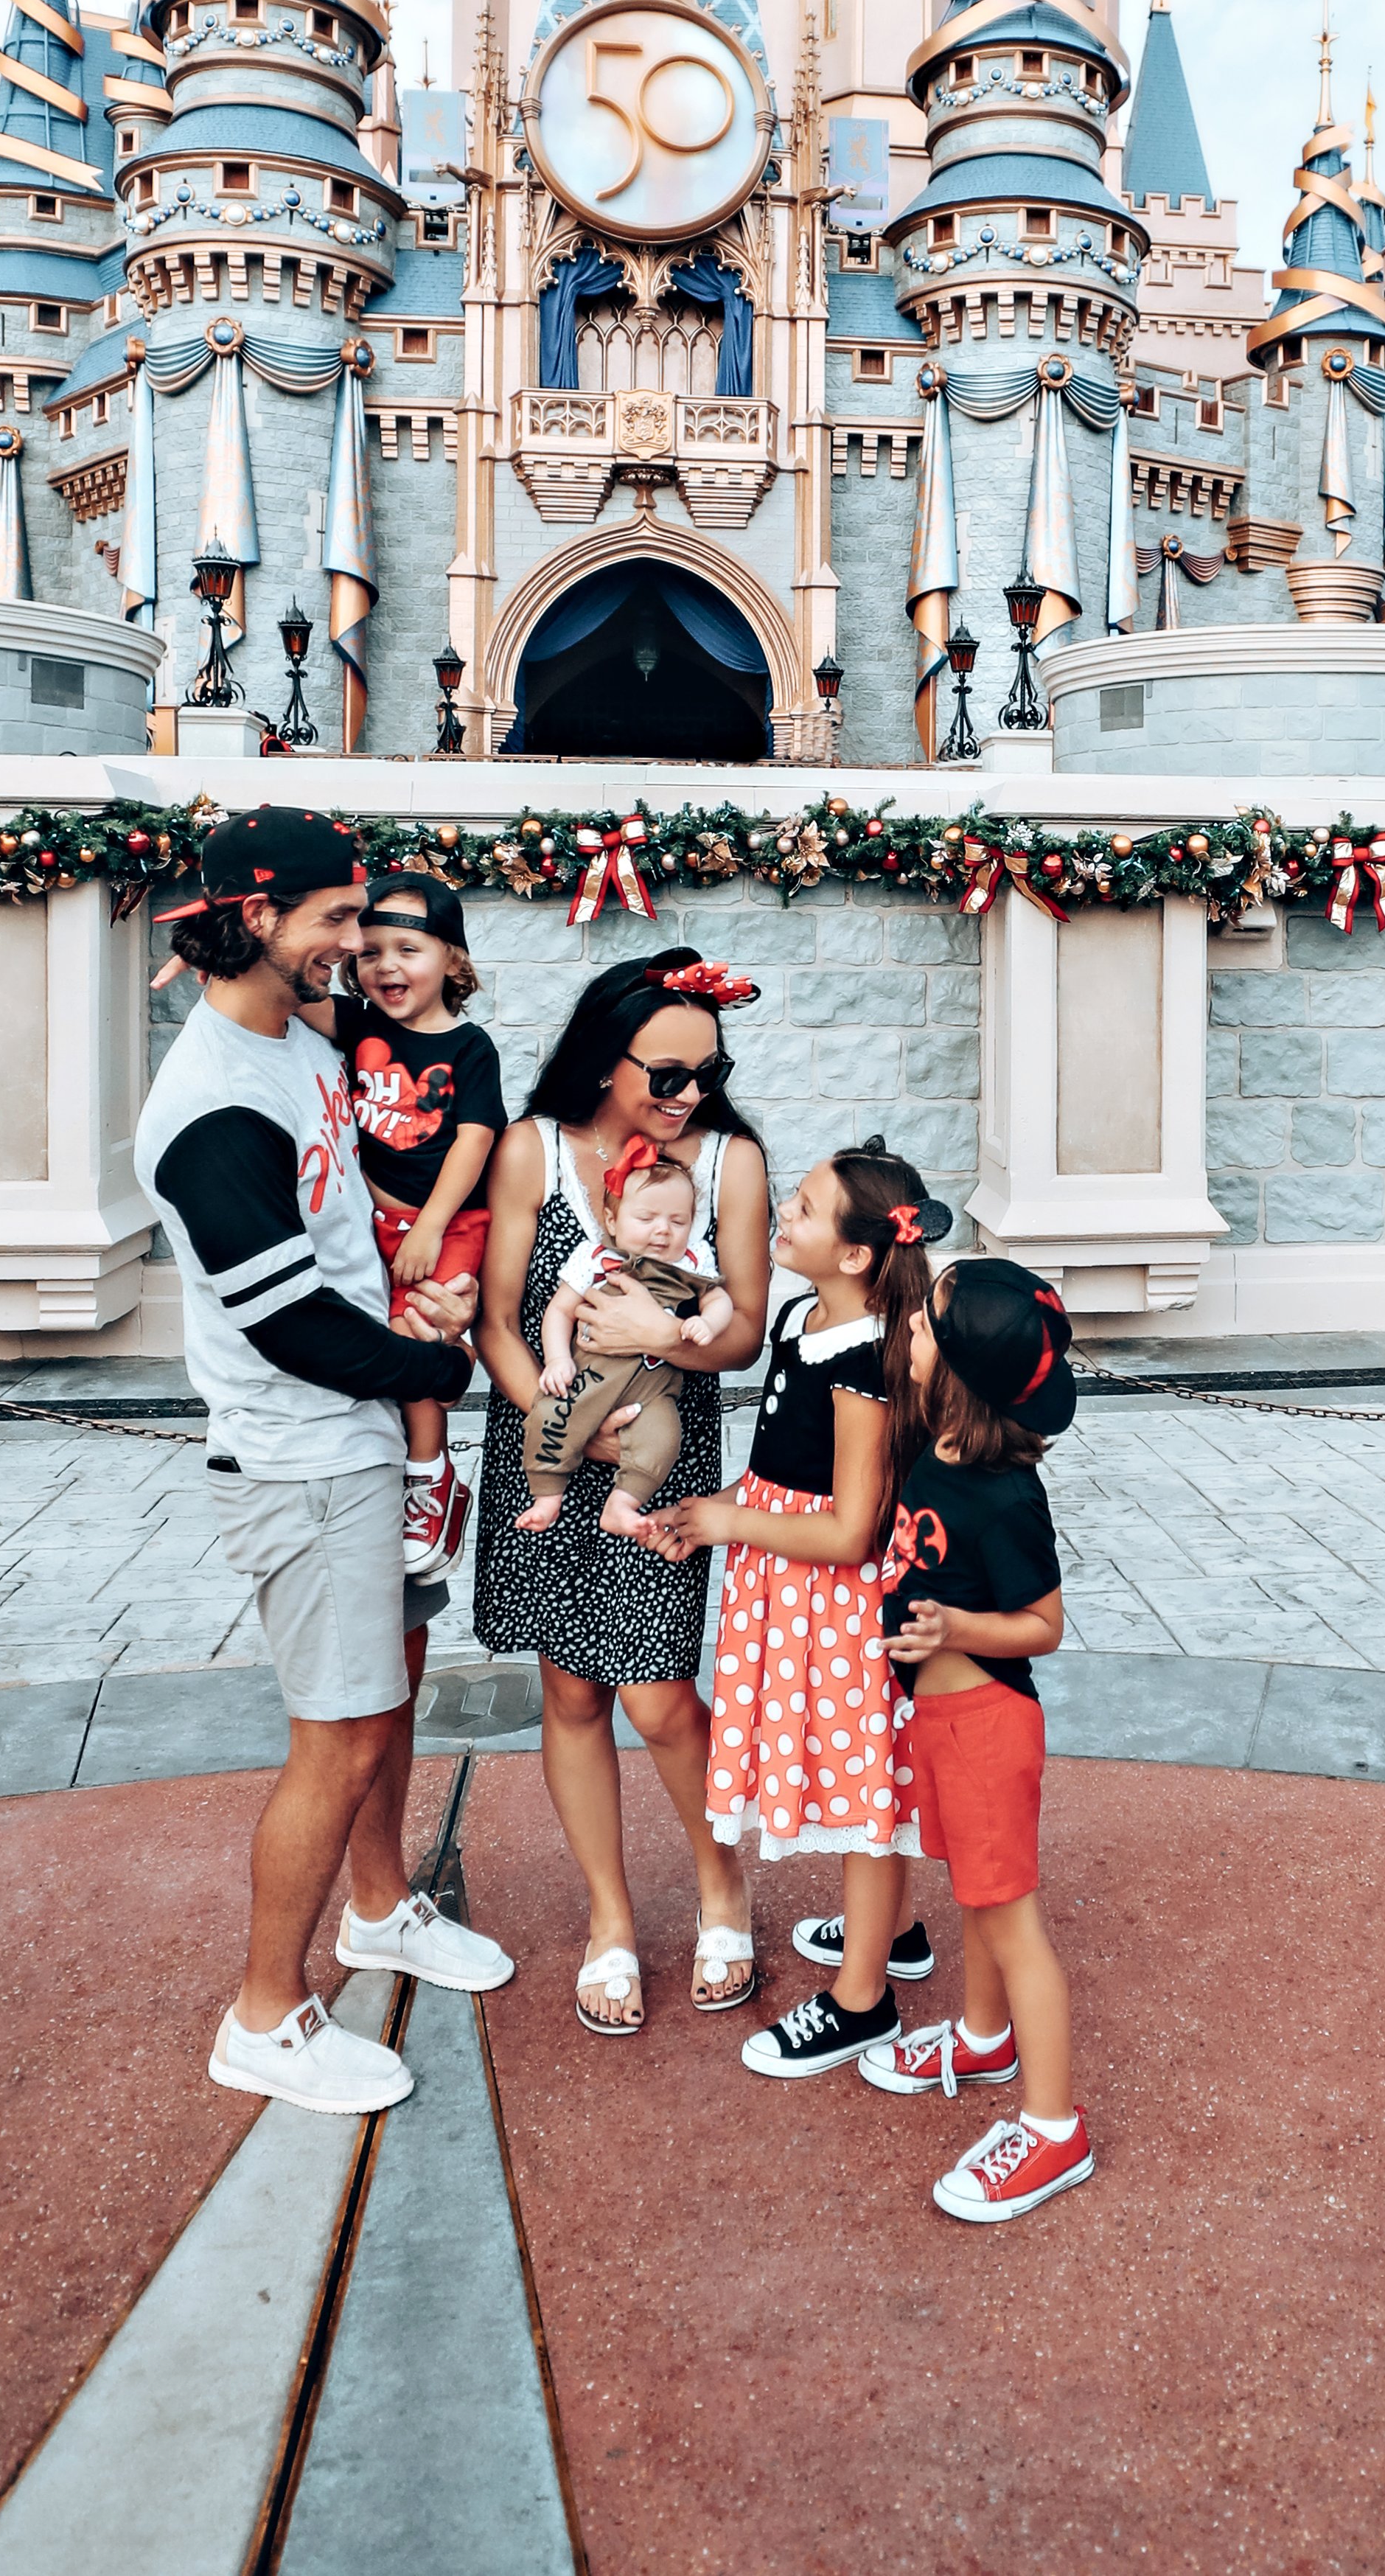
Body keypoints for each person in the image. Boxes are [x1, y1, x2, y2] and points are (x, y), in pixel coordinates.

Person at [136, 807, 514, 2123]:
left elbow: (357, 1232)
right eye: (334, 922)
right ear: (252, 918)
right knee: (338, 1734)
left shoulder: (295, 1040)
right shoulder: (208, 1111)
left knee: (387, 1695)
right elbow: (286, 1320)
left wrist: (421, 1323)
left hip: (361, 1440)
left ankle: (377, 1910)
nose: (357, 946)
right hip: (306, 1461)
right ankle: (263, 2016)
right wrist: (431, 1371)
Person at [473, 952, 771, 2035]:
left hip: (663, 1450)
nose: (690, 1093)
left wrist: (667, 1344)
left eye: (707, 1070)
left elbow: (737, 1332)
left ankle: (721, 1882)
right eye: (670, 1071)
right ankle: (610, 1916)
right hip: (549, 1441)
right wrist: (564, 1425)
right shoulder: (532, 1150)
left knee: (656, 1690)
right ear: (606, 1059)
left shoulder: (732, 1161)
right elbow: (498, 1319)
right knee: (572, 1693)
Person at [648, 1143, 951, 2070]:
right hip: (786, 1584)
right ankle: (893, 1933)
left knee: (864, 1790)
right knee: (858, 1780)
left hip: (839, 1601)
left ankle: (863, 2001)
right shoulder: (800, 1314)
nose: (785, 1211)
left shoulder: (867, 1355)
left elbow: (852, 1532)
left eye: (807, 1209)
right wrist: (719, 1519)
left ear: (856, 1254)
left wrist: (731, 1519)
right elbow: (784, 1465)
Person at [858, 1257, 1092, 2222]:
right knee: (977, 1897)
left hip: (990, 1725)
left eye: (925, 1321)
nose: (909, 1326)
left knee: (1010, 1922)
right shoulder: (937, 1452)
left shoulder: (1005, 1496)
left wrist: (954, 1631)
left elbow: (1043, 1623)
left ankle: (1053, 2128)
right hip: (943, 1724)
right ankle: (986, 2036)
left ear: (953, 1369)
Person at [308, 873, 504, 1578]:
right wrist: (218, 954)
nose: (387, 965)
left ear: (452, 960)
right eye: (372, 951)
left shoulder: (470, 1047)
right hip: (371, 1223)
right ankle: (393, 1468)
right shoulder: (359, 1027)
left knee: (417, 1338)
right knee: (372, 1345)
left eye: (409, 949)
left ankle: (432, 1478)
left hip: (447, 1226)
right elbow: (285, 992)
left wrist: (428, 1229)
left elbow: (474, 1141)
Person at [518, 1135, 734, 1539]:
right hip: (589, 1379)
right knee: (551, 1416)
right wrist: (557, 1360)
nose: (663, 1231)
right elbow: (560, 1311)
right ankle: (547, 1494)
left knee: (664, 1436)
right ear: (613, 1222)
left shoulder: (691, 1262)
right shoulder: (597, 1260)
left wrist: (708, 1324)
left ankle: (624, 1503)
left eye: (678, 1221)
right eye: (647, 1218)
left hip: (654, 1393)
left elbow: (719, 1300)